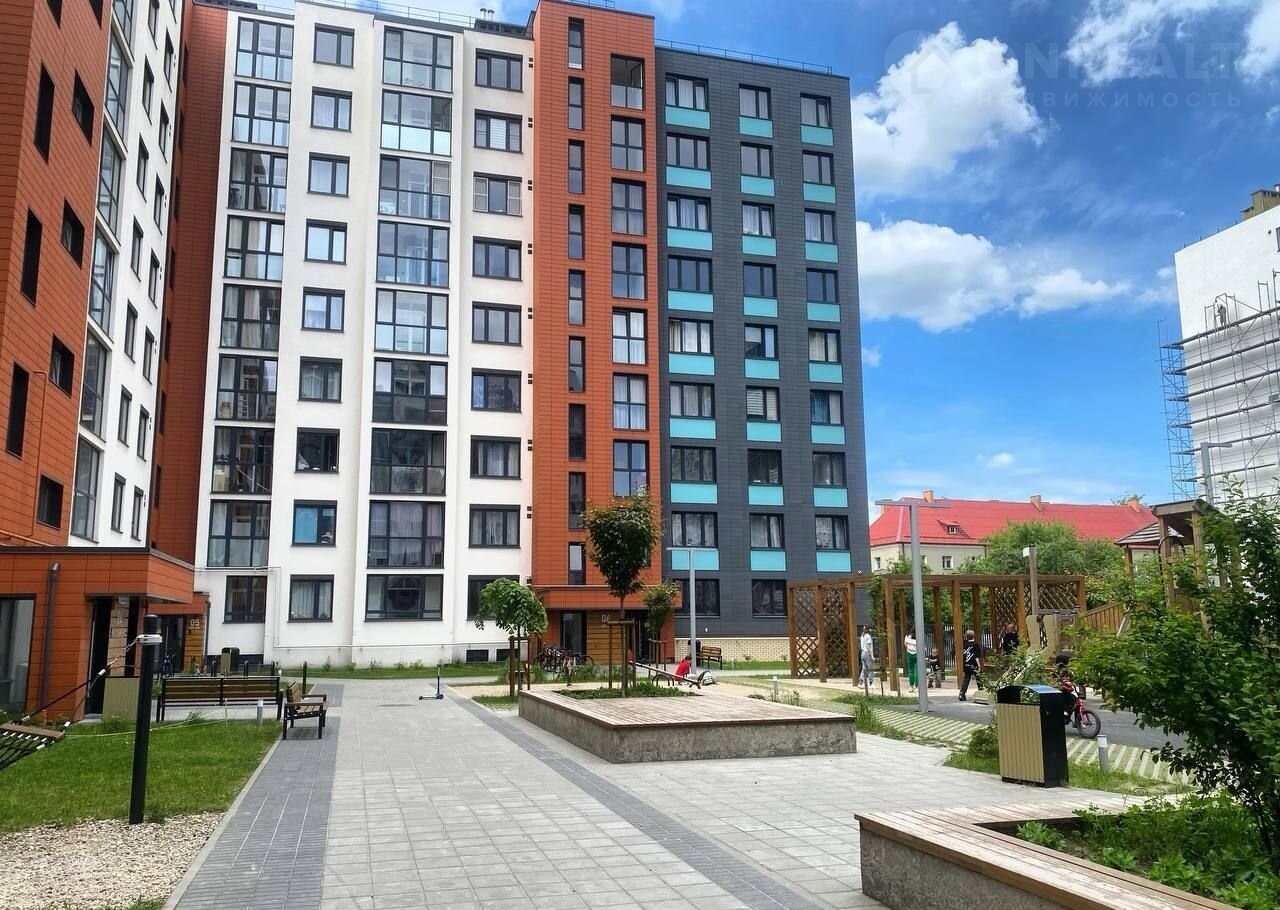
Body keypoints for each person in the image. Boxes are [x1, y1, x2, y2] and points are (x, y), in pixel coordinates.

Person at [959, 630, 983, 701]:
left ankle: (962, 694)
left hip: (966, 663)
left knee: (966, 679)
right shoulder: (975, 645)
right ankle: (981, 692)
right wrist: (979, 666)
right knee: (979, 678)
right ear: (974, 635)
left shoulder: (965, 645)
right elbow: (976, 656)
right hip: (974, 664)